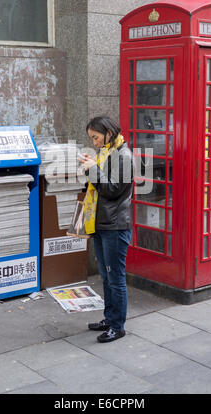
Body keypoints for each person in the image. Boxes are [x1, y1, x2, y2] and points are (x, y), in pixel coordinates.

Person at [79, 116, 134, 343]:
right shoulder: (106, 153)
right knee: (106, 275)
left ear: (109, 132)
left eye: (96, 137)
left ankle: (118, 326)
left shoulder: (124, 156)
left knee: (116, 277)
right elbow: (97, 186)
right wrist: (90, 167)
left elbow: (112, 189)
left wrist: (93, 169)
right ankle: (109, 318)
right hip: (101, 223)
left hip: (115, 226)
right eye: (91, 138)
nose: (94, 142)